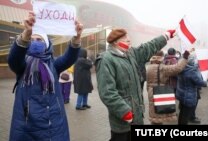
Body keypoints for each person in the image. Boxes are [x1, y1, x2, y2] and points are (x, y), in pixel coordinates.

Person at [7, 12, 83, 140]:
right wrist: (26, 34)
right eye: (32, 40)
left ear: (47, 44)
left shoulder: (53, 64)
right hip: (27, 127)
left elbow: (69, 58)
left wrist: (77, 37)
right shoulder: (22, 64)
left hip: (53, 125)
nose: (35, 42)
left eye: (39, 40)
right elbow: (13, 59)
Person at [95, 28, 175, 141]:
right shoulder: (106, 59)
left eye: (128, 36)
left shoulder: (130, 53)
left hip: (137, 115)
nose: (128, 39)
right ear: (115, 42)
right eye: (124, 38)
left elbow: (148, 47)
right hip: (122, 119)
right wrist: (124, 111)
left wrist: (166, 36)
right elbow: (107, 92)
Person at [146, 50, 190, 125]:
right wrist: (185, 57)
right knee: (158, 117)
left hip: (151, 92)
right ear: (161, 57)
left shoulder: (148, 67)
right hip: (160, 92)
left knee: (154, 114)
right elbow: (177, 68)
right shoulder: (162, 68)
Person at [176, 53, 207, 125]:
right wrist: (205, 82)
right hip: (188, 96)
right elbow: (200, 83)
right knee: (185, 116)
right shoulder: (192, 71)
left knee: (182, 113)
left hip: (182, 94)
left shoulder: (181, 68)